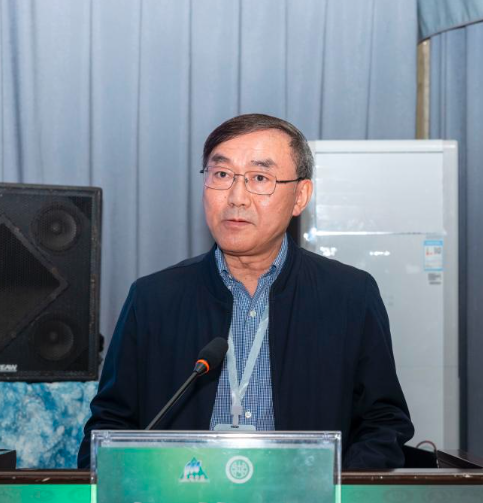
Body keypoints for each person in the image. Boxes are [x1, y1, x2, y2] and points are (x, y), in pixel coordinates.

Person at [78, 113, 414, 469]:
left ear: (300, 196)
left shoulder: (350, 296)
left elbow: (384, 423)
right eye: (222, 175)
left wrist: (332, 487)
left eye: (259, 178)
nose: (236, 198)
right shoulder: (153, 298)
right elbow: (111, 425)